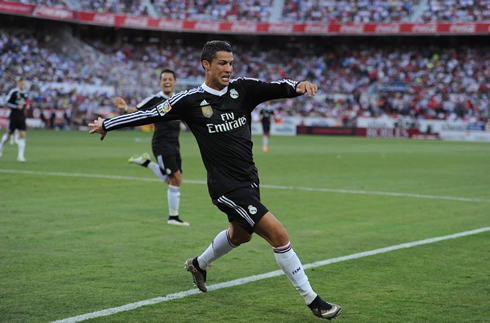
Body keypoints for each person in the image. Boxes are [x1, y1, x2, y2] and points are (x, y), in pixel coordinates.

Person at [89, 40, 342, 320]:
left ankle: (198, 264)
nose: (229, 69)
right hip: (225, 186)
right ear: (206, 65)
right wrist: (108, 124)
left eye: (231, 63)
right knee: (278, 234)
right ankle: (314, 301)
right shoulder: (190, 101)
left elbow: (275, 87)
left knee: (241, 235)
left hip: (249, 180)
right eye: (222, 63)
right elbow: (150, 114)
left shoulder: (242, 89)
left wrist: (298, 85)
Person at [113, 69, 189, 226]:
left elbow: (185, 119)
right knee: (176, 179)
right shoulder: (155, 99)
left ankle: (146, 163)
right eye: (164, 79)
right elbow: (137, 110)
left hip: (175, 144)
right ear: (160, 82)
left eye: (170, 79)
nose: (167, 81)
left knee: (175, 180)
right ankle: (173, 218)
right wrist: (125, 109)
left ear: (175, 82)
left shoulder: (178, 100)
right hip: (161, 144)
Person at [0, 77, 30, 162]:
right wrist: (16, 106)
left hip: (22, 117)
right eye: (21, 84)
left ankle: (20, 156)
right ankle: (1, 147)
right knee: (9, 135)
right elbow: (6, 102)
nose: (22, 85)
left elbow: (27, 102)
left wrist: (27, 106)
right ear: (18, 84)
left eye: (24, 84)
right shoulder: (13, 92)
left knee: (23, 135)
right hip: (13, 116)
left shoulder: (25, 93)